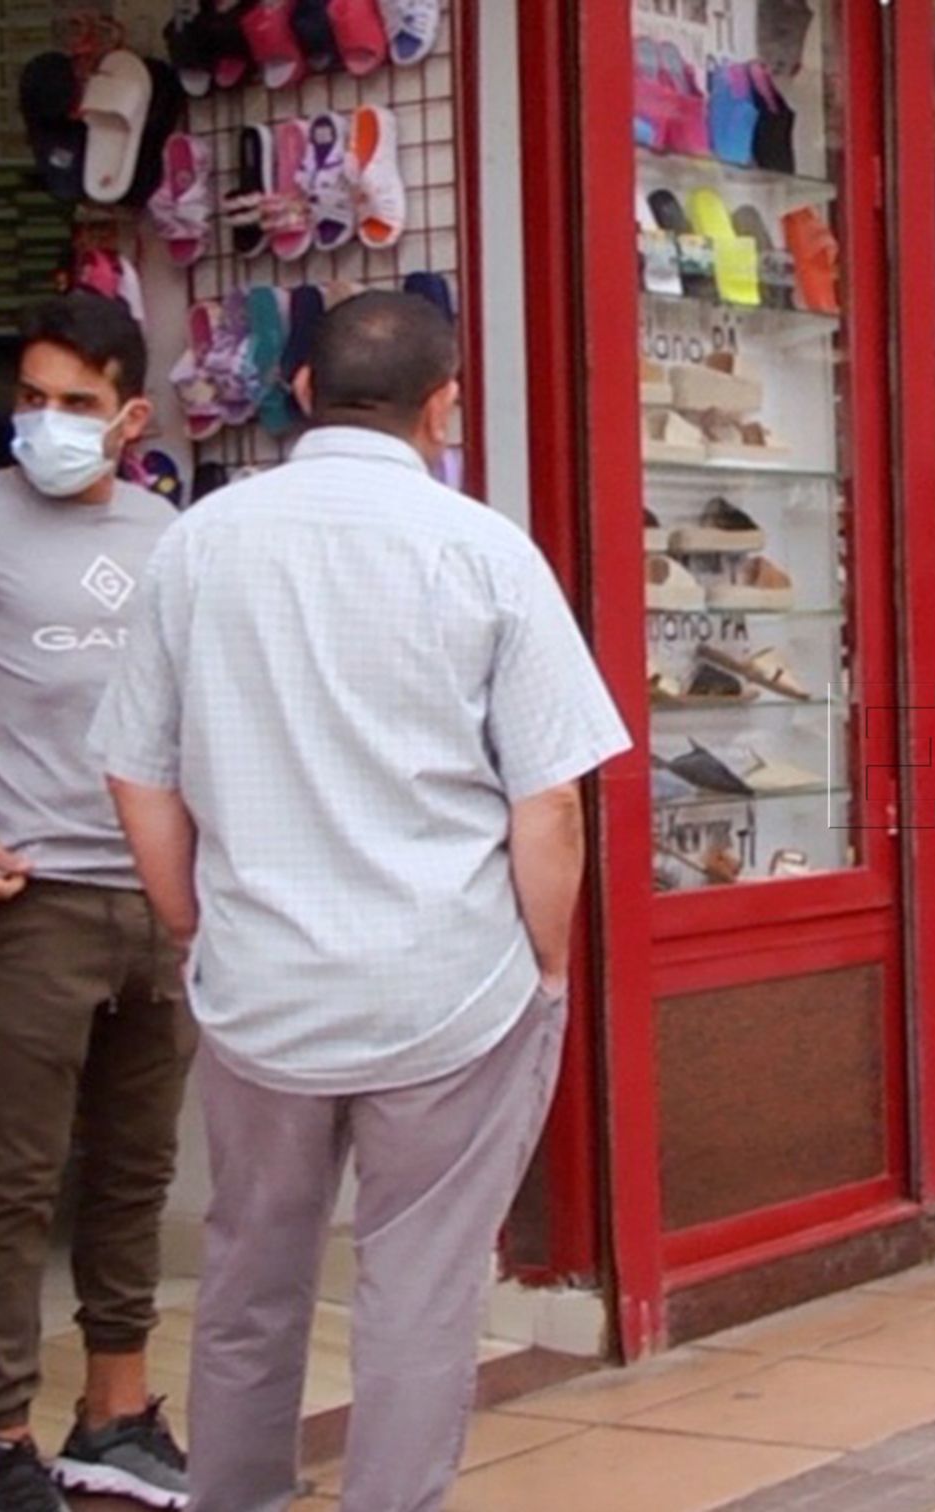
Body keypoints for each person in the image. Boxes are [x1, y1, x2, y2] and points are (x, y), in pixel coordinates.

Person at [90, 292, 630, 1512]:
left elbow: (137, 771)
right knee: (418, 1297)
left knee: (247, 1280)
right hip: (449, 989)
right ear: (445, 406)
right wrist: (544, 968)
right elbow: (550, 803)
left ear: (297, 394)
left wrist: (192, 924)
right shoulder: (483, 549)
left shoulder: (199, 542)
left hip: (261, 986)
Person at [0, 294, 194, 1512]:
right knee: (14, 1180)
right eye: (31, 398)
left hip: (157, 904)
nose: (48, 423)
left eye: (76, 403)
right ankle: (7, 1433)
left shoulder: (172, 533)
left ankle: (115, 1414)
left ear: (130, 415)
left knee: (133, 1174)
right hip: (27, 899)